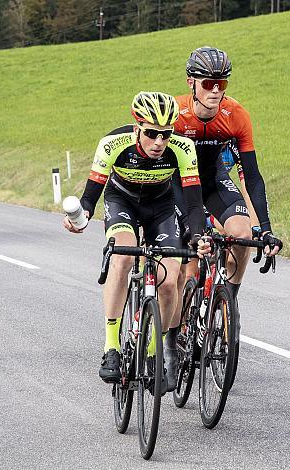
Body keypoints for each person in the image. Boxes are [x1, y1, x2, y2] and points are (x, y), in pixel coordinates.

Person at [63, 91, 205, 392]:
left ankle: (153, 351)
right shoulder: (113, 144)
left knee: (170, 279)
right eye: (151, 134)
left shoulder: (183, 148)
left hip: (161, 207)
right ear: (137, 128)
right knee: (123, 258)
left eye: (165, 135)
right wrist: (81, 217)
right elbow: (91, 197)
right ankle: (111, 347)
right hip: (122, 201)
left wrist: (195, 235)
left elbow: (193, 205)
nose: (159, 142)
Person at [171, 46, 283, 341]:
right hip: (178, 186)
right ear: (191, 83)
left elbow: (252, 178)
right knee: (191, 262)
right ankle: (178, 327)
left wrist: (266, 230)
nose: (216, 91)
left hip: (212, 182)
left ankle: (227, 301)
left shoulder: (236, 115)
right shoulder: (175, 115)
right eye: (208, 83)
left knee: (242, 233)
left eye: (222, 84)